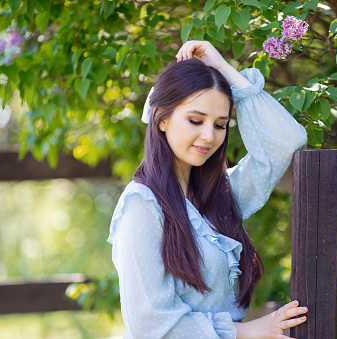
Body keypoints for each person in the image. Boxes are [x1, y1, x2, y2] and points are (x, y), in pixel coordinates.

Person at [107, 40, 309, 339]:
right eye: (195, 120)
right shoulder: (142, 205)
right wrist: (243, 332)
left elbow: (286, 142)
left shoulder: (223, 193)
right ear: (162, 119)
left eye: (220, 124)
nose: (208, 136)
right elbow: (149, 323)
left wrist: (223, 69)